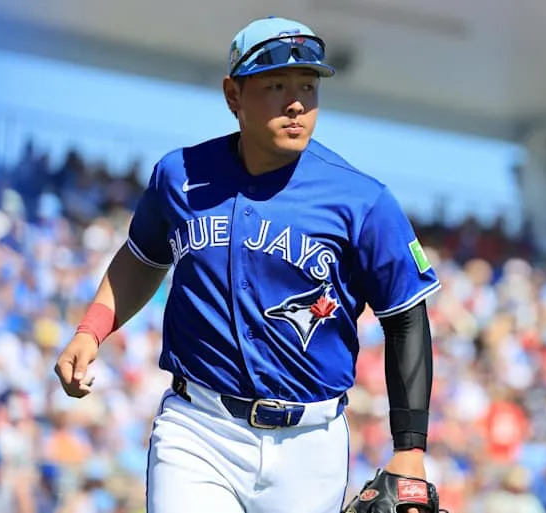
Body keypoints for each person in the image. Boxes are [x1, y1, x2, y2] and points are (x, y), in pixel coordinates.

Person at [53, 15, 441, 513]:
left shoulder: (363, 201)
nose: (297, 101)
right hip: (199, 428)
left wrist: (410, 450)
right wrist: (92, 329)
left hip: (309, 443)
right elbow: (142, 257)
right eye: (276, 84)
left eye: (308, 85)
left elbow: (406, 318)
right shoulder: (180, 176)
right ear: (232, 95)